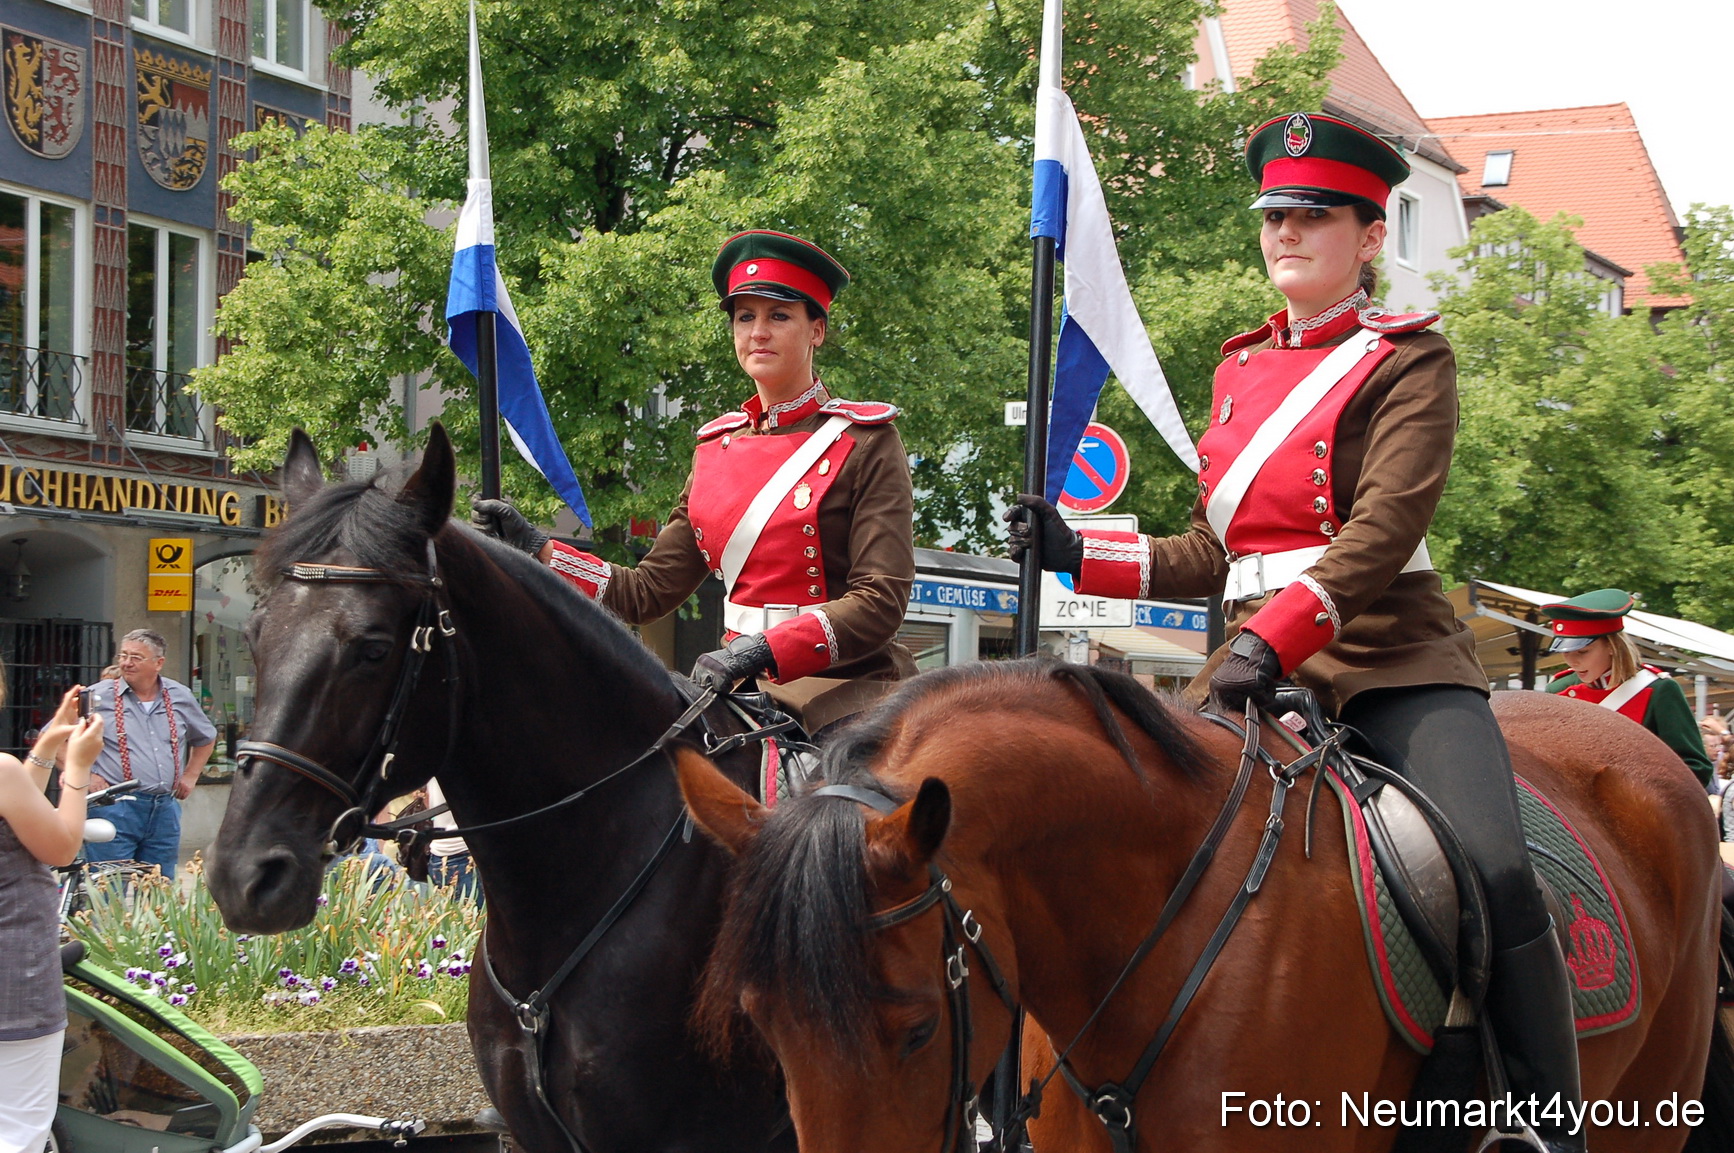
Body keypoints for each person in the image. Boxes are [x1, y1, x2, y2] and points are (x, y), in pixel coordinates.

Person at [1008, 112, 1583, 1151]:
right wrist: (1077, 552)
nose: (1286, 231)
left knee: (1496, 869)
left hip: (1391, 665)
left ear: (1370, 237)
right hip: (1250, 673)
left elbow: (1381, 532)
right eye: (1275, 214)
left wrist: (1267, 641)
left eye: (1315, 215)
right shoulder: (1238, 369)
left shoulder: (1411, 359)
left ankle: (1541, 1120)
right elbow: (1212, 549)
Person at [473, 231, 917, 736]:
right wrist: (539, 550)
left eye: (778, 316)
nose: (758, 333)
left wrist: (764, 649)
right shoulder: (714, 448)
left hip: (848, 689)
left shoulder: (865, 440)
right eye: (745, 317)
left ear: (816, 330)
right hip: (741, 688)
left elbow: (881, 600)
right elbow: (645, 593)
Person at [0, 684, 104, 1153]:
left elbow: (17, 814)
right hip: (13, 984)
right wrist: (77, 769)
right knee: (17, 1132)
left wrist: (44, 747)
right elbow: (61, 847)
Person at [1540, 590, 1712, 785]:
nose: (1573, 661)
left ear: (1612, 646)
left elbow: (1695, 769)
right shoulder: (1558, 690)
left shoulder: (1659, 690)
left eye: (1582, 651)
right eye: (1566, 652)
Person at [84, 629, 217, 879]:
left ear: (159, 663)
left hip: (164, 808)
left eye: (136, 657)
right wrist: (87, 775)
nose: (126, 663)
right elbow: (57, 739)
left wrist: (191, 775)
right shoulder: (97, 696)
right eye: (123, 655)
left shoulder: (179, 695)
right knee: (108, 886)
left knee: (159, 887)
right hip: (115, 807)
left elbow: (206, 738)